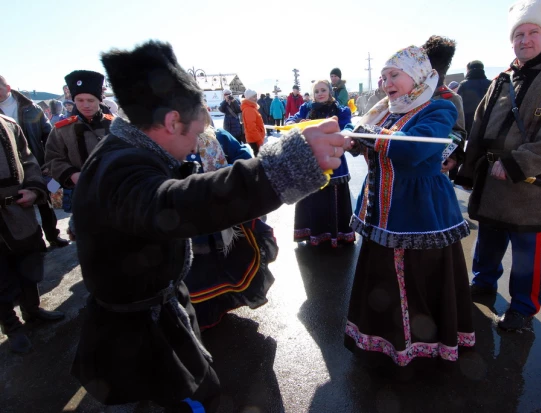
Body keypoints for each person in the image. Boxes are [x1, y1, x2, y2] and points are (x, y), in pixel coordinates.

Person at [70, 39, 345, 412]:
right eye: (197, 132)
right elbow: (176, 202)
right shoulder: (120, 167)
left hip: (159, 315)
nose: (200, 141)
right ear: (171, 122)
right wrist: (279, 168)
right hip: (143, 335)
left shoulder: (127, 148)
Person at [455, 0, 541, 331]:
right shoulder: (502, 78)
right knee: (488, 238)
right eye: (519, 34)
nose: (525, 40)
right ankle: (484, 284)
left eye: (532, 33)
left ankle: (523, 307)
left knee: (526, 249)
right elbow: (480, 125)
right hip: (491, 178)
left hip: (528, 181)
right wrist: (465, 163)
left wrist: (521, 162)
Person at [343, 45, 474, 368]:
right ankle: (385, 342)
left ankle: (423, 347)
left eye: (394, 75)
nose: (386, 82)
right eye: (384, 76)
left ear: (416, 76)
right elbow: (375, 146)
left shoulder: (439, 109)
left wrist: (368, 134)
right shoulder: (386, 111)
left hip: (419, 210)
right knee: (382, 281)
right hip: (382, 206)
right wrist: (354, 141)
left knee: (418, 280)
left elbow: (412, 151)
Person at [184, 115, 277, 329]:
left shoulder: (219, 137)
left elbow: (244, 156)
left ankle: (220, 305)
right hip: (192, 221)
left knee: (223, 264)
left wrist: (229, 174)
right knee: (198, 270)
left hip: (223, 215)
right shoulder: (174, 143)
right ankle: (199, 314)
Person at [0, 114, 65, 354]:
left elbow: (28, 162)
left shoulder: (8, 124)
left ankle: (32, 310)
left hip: (18, 211)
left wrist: (34, 190)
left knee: (29, 265)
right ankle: (11, 326)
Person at [0, 76, 69, 248]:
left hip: (36, 163)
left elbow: (49, 135)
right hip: (10, 167)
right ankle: (30, 241)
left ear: (7, 87)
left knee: (45, 200)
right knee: (17, 204)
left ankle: (53, 236)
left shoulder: (31, 107)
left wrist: (49, 162)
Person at [286, 79, 355, 247]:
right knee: (314, 199)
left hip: (333, 160)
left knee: (333, 197)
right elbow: (290, 122)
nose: (320, 93)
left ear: (330, 91)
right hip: (311, 161)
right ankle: (313, 233)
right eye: (316, 91)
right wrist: (296, 125)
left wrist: (345, 134)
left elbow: (349, 127)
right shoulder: (306, 109)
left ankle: (337, 235)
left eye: (323, 90)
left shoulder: (340, 110)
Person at [44, 70, 114, 213]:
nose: (85, 105)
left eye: (90, 100)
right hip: (81, 194)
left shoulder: (117, 126)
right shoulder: (62, 130)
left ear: (100, 100)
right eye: (80, 100)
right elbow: (53, 159)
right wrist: (72, 174)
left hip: (116, 193)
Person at [422, 35, 467, 180]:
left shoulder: (451, 98)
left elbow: (458, 133)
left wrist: (452, 157)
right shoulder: (410, 94)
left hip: (435, 170)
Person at [457, 60, 492, 137]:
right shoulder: (491, 83)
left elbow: (457, 105)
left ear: (469, 70)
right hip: (488, 121)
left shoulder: (464, 84)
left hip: (468, 122)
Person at [240, 88, 265, 156]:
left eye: (256, 96)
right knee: (259, 158)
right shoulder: (249, 109)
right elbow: (251, 128)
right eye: (254, 97)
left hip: (255, 138)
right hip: (255, 139)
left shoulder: (251, 108)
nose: (256, 98)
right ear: (249, 98)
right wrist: (259, 140)